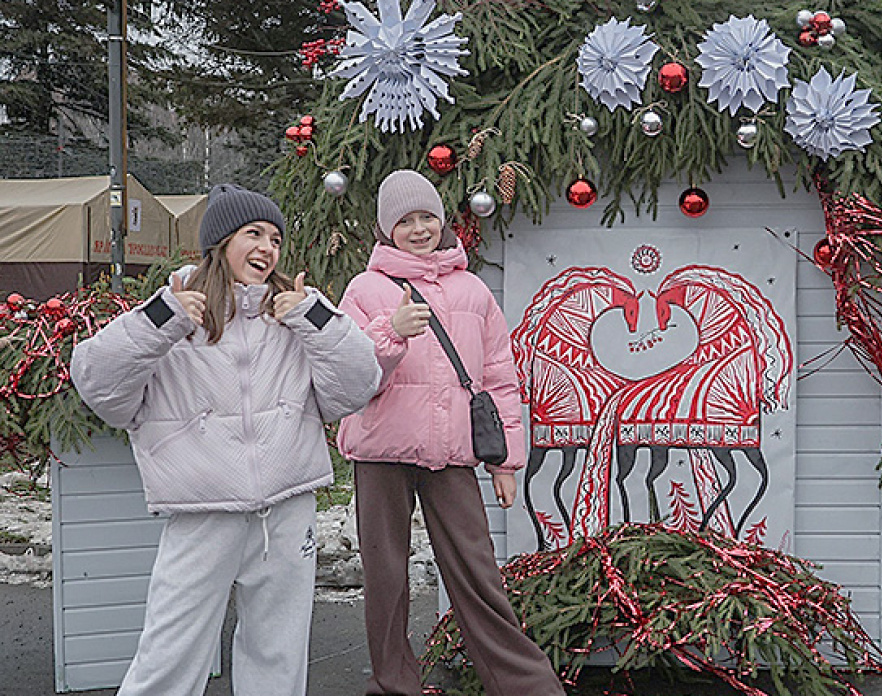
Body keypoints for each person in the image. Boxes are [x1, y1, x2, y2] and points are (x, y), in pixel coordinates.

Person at [70, 184, 381, 695]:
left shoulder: (293, 312)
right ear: (220, 242)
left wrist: (313, 316)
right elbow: (98, 384)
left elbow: (358, 383)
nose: (267, 248)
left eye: (275, 238)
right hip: (202, 514)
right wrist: (162, 319)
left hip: (286, 511)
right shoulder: (174, 312)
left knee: (277, 657)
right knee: (170, 657)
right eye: (253, 233)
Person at [336, 170, 563, 696]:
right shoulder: (366, 289)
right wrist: (391, 332)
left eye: (426, 217)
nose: (418, 229)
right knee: (385, 579)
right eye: (405, 220)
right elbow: (347, 374)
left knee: (477, 573)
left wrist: (505, 461)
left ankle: (527, 687)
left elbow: (499, 379)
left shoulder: (473, 289)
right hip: (381, 453)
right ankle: (392, 685)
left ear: (442, 221)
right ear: (385, 228)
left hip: (452, 453)